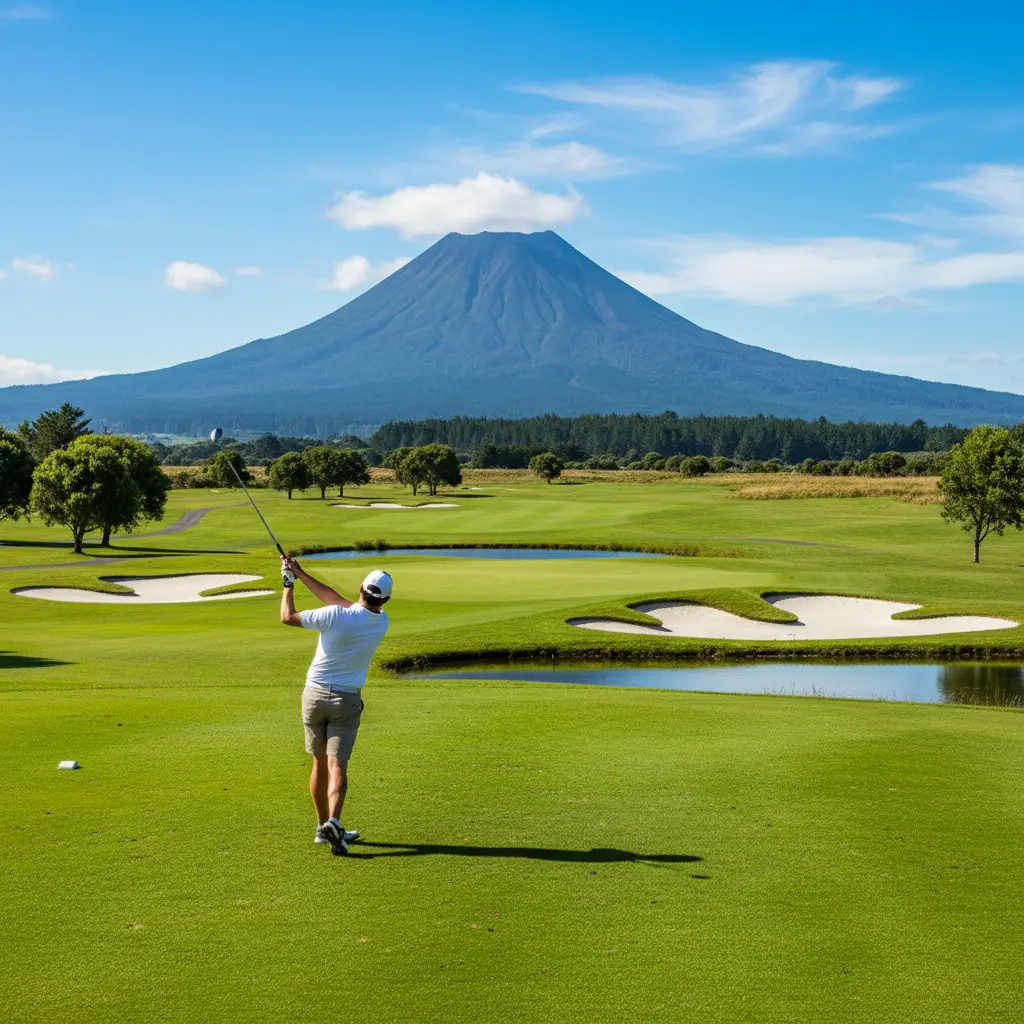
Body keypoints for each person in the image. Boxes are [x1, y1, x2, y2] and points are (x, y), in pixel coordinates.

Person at [280, 555, 393, 856]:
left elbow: (287, 616)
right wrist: (301, 572)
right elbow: (338, 600)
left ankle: (322, 829)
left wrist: (288, 583)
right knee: (337, 764)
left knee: (319, 764)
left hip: (314, 696)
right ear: (386, 599)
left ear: (360, 588)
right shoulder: (381, 621)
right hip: (346, 700)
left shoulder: (333, 615)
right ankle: (333, 822)